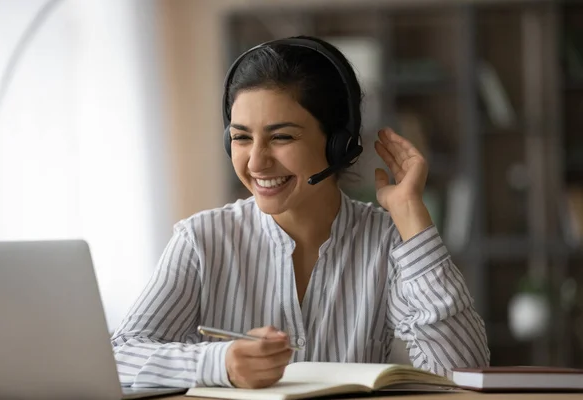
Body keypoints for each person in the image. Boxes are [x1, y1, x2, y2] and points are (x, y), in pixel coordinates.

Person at [111, 35, 490, 390]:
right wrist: (219, 363)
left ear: (338, 145)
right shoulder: (201, 240)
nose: (256, 162)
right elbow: (119, 356)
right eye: (241, 137)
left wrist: (410, 214)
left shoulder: (388, 242)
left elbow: (462, 372)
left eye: (281, 137)